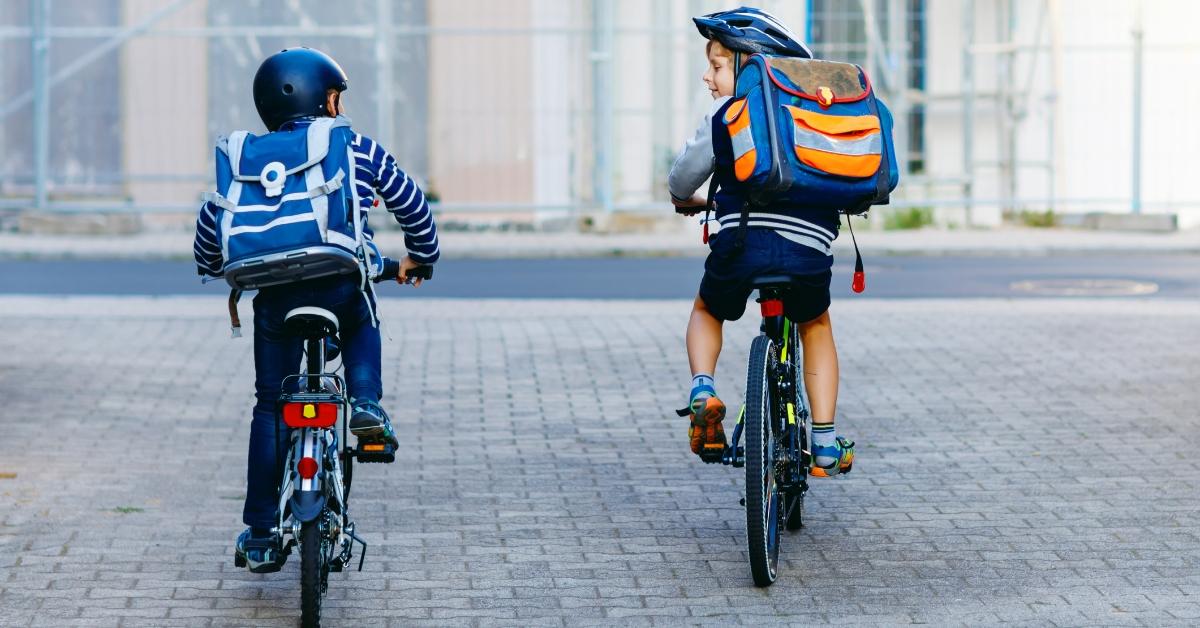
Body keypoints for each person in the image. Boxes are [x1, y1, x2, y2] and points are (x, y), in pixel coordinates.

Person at [192, 47, 439, 569]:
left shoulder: (244, 160)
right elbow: (412, 202)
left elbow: (210, 237)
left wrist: (218, 264)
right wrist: (421, 256)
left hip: (275, 302)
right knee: (362, 317)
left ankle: (260, 532)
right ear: (327, 100)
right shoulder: (356, 149)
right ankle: (367, 404)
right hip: (341, 288)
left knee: (269, 409)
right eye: (338, 98)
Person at [668, 8, 853, 477]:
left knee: (707, 309)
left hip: (739, 245)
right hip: (808, 250)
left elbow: (683, 176)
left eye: (717, 65)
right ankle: (827, 443)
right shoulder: (814, 115)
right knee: (815, 325)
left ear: (751, 65)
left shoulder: (728, 116)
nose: (707, 76)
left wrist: (683, 198)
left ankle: (703, 390)